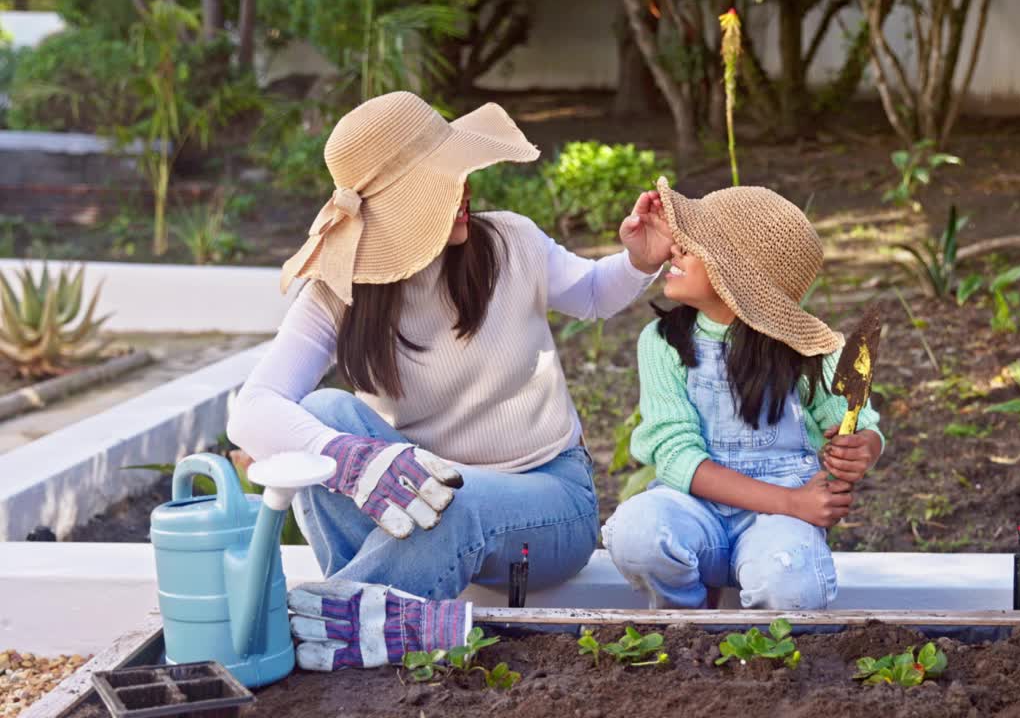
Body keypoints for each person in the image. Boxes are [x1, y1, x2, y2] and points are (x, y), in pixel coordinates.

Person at [226, 92, 672, 617]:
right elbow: (253, 409)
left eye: (457, 172)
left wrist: (637, 262)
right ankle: (367, 621)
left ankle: (327, 625)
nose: (462, 191)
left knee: (448, 507)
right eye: (436, 184)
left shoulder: (509, 240)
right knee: (323, 419)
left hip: (549, 498)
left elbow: (593, 294)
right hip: (426, 493)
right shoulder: (338, 289)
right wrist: (352, 461)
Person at [602, 178, 885, 610]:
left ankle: (760, 634)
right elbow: (676, 457)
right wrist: (793, 501)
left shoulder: (810, 351)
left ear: (733, 275)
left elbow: (858, 424)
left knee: (791, 585)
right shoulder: (663, 342)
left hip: (779, 525)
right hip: (695, 513)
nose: (674, 250)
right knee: (636, 533)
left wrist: (863, 447)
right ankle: (687, 618)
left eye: (690, 245)